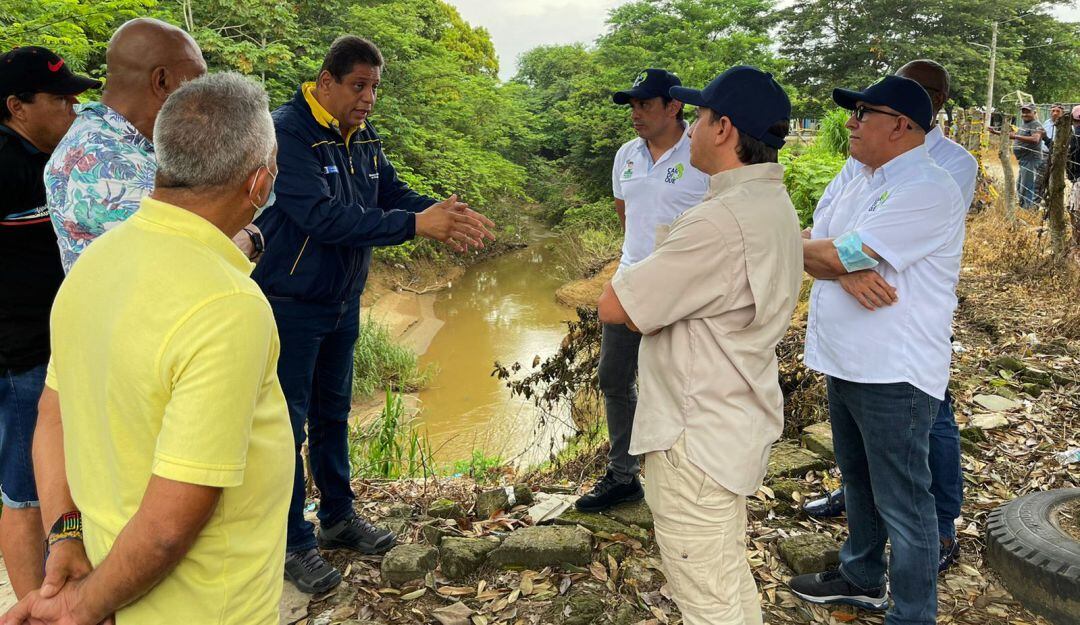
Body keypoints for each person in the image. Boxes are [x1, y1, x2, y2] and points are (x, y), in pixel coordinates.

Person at [3, 73, 293, 625]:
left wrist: (66, 537)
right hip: (208, 606)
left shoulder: (94, 265)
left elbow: (52, 418)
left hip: (111, 572)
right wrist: (82, 607)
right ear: (259, 183)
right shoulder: (229, 305)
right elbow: (166, 527)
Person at [252, 35, 495, 594]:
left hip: (341, 300)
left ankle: (338, 517)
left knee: (333, 413)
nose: (367, 99)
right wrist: (415, 226)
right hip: (288, 302)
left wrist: (437, 212)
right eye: (358, 86)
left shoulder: (361, 136)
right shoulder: (287, 133)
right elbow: (322, 217)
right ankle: (292, 541)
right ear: (326, 79)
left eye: (374, 89)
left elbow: (389, 189)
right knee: (285, 426)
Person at [598, 66, 803, 625]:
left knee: (706, 598)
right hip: (732, 420)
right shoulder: (776, 208)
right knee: (725, 574)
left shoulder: (719, 222)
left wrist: (636, 275)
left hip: (696, 437)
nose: (691, 129)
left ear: (724, 129)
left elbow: (617, 308)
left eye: (702, 117)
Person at [789, 76, 965, 625]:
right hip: (846, 358)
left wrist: (833, 259)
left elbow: (834, 253)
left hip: (894, 369)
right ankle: (861, 575)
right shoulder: (856, 175)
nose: (851, 121)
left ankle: (912, 614)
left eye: (865, 113)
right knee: (858, 479)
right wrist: (836, 264)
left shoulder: (928, 187)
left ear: (902, 126)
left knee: (907, 503)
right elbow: (824, 246)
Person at [575, 68, 709, 513]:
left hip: (685, 294)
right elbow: (626, 215)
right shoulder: (626, 156)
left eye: (645, 104)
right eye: (632, 105)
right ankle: (623, 475)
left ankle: (686, 478)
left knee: (679, 385)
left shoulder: (703, 153)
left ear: (675, 106)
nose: (636, 114)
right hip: (632, 284)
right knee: (614, 378)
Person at [0, 46, 100, 599]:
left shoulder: (54, 159)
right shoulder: (7, 165)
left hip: (53, 347)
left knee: (52, 481)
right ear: (17, 105)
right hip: (21, 356)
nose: (74, 107)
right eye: (61, 99)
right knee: (25, 493)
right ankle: (37, 605)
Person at [45, 17, 261, 271]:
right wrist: (252, 235)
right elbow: (213, 255)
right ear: (162, 81)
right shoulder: (104, 160)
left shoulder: (129, 141)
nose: (205, 91)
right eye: (198, 79)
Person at [991, 103, 1044, 208]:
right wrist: (996, 132)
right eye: (1023, 112)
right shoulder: (1025, 125)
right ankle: (1023, 207)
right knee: (1020, 186)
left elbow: (1035, 139)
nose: (1025, 114)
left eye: (1028, 112)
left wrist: (1015, 136)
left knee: (1027, 187)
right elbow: (1011, 135)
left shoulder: (1036, 124)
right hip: (1024, 160)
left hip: (1031, 159)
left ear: (1034, 112)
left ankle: (1027, 209)